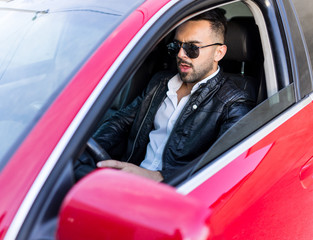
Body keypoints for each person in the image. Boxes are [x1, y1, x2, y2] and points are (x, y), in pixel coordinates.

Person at [74, 9, 254, 182]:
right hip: (128, 179)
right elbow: (121, 122)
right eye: (177, 46)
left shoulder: (233, 103)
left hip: (177, 192)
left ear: (219, 52)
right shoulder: (160, 82)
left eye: (192, 48)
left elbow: (224, 167)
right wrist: (87, 151)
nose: (181, 55)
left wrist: (159, 177)